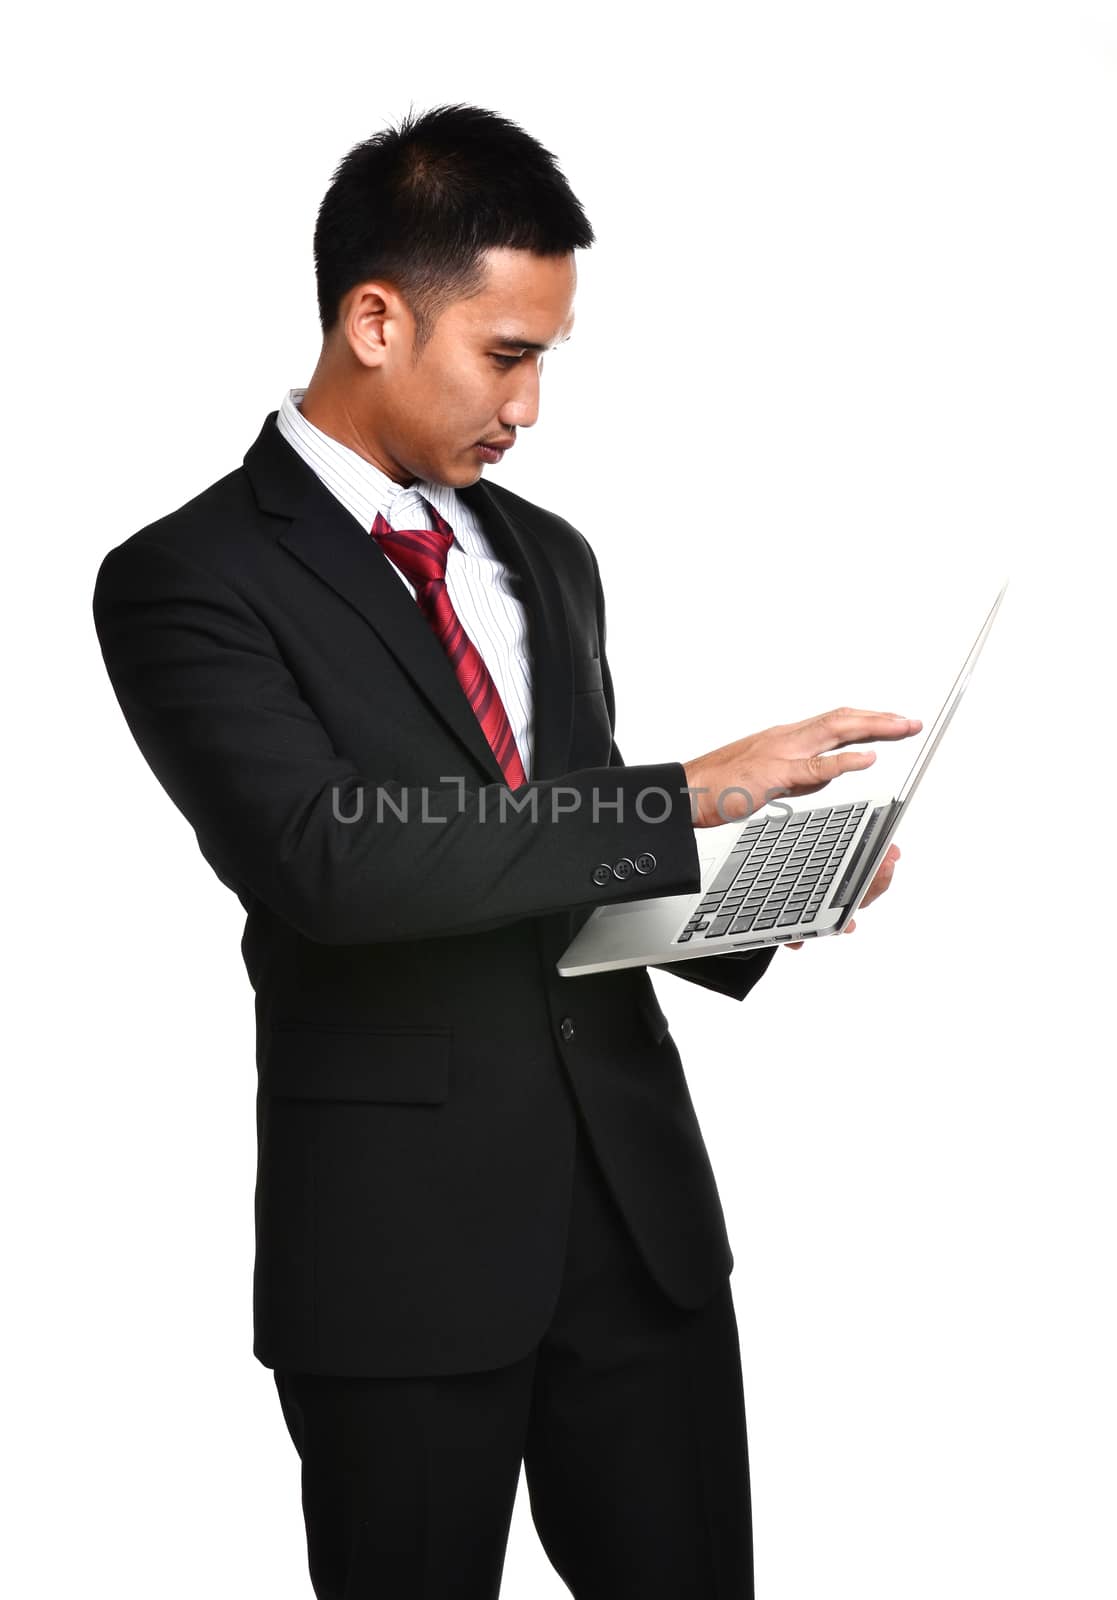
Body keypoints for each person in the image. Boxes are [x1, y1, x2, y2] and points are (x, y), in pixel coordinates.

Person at [92, 103, 919, 1600]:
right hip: (401, 1253)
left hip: (636, 1227)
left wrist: (750, 907)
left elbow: (560, 852)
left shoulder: (546, 556)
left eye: (546, 358)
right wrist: (686, 793)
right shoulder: (184, 579)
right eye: (507, 354)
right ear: (374, 319)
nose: (527, 407)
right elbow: (327, 858)